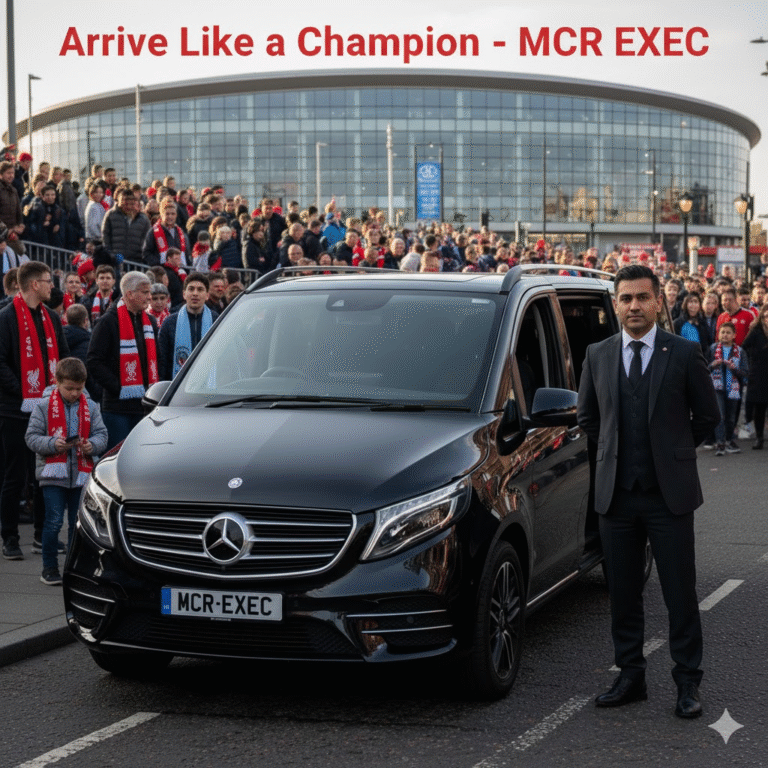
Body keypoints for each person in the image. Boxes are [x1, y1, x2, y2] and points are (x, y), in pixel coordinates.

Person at [577, 264, 719, 719]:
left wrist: (672, 455)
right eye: (625, 298)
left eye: (642, 297)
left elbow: (708, 417)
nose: (633, 306)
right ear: (615, 304)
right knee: (622, 593)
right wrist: (614, 456)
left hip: (668, 497)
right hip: (615, 497)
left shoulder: (682, 352)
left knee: (680, 591)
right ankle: (630, 675)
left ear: (658, 301)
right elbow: (588, 419)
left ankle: (688, 681)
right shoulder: (597, 354)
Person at [0, 261, 69, 560]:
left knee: (45, 475)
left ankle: (44, 535)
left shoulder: (51, 318)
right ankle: (10, 538)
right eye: (47, 280)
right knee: (15, 476)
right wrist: (23, 390)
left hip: (46, 408)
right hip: (13, 410)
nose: (52, 285)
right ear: (32, 285)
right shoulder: (5, 317)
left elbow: (63, 356)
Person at [25, 357, 107, 585]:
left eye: (78, 389)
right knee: (53, 522)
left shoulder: (91, 406)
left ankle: (74, 568)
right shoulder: (42, 406)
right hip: (52, 475)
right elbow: (31, 437)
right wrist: (53, 444)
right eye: (69, 388)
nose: (74, 393)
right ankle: (49, 568)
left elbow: (102, 435)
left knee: (77, 524)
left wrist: (93, 445)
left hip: (80, 475)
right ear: (57, 382)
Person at [86, 271, 158, 450]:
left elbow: (158, 358)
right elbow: (94, 361)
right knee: (117, 457)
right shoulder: (107, 322)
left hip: (145, 406)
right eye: (145, 292)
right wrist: (119, 388)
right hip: (117, 408)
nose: (149, 297)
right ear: (130, 294)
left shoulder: (150, 322)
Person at [157, 272, 217, 380]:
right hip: (176, 385)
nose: (195, 293)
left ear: (207, 295)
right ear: (184, 294)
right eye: (191, 289)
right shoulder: (169, 323)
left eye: (200, 289)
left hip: (209, 384)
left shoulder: (216, 321)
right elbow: (162, 360)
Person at [707, 321, 749, 456]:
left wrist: (734, 369)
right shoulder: (713, 349)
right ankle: (720, 442)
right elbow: (705, 368)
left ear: (734, 335)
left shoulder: (740, 351)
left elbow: (745, 372)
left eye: (728, 333)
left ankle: (729, 440)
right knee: (720, 416)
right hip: (716, 388)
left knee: (731, 417)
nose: (725, 335)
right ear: (718, 334)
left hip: (733, 388)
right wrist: (713, 365)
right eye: (722, 332)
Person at [741, 305, 768, 449]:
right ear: (762, 318)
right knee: (760, 407)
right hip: (759, 373)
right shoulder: (756, 332)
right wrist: (750, 364)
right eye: (766, 316)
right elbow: (743, 348)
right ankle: (759, 437)